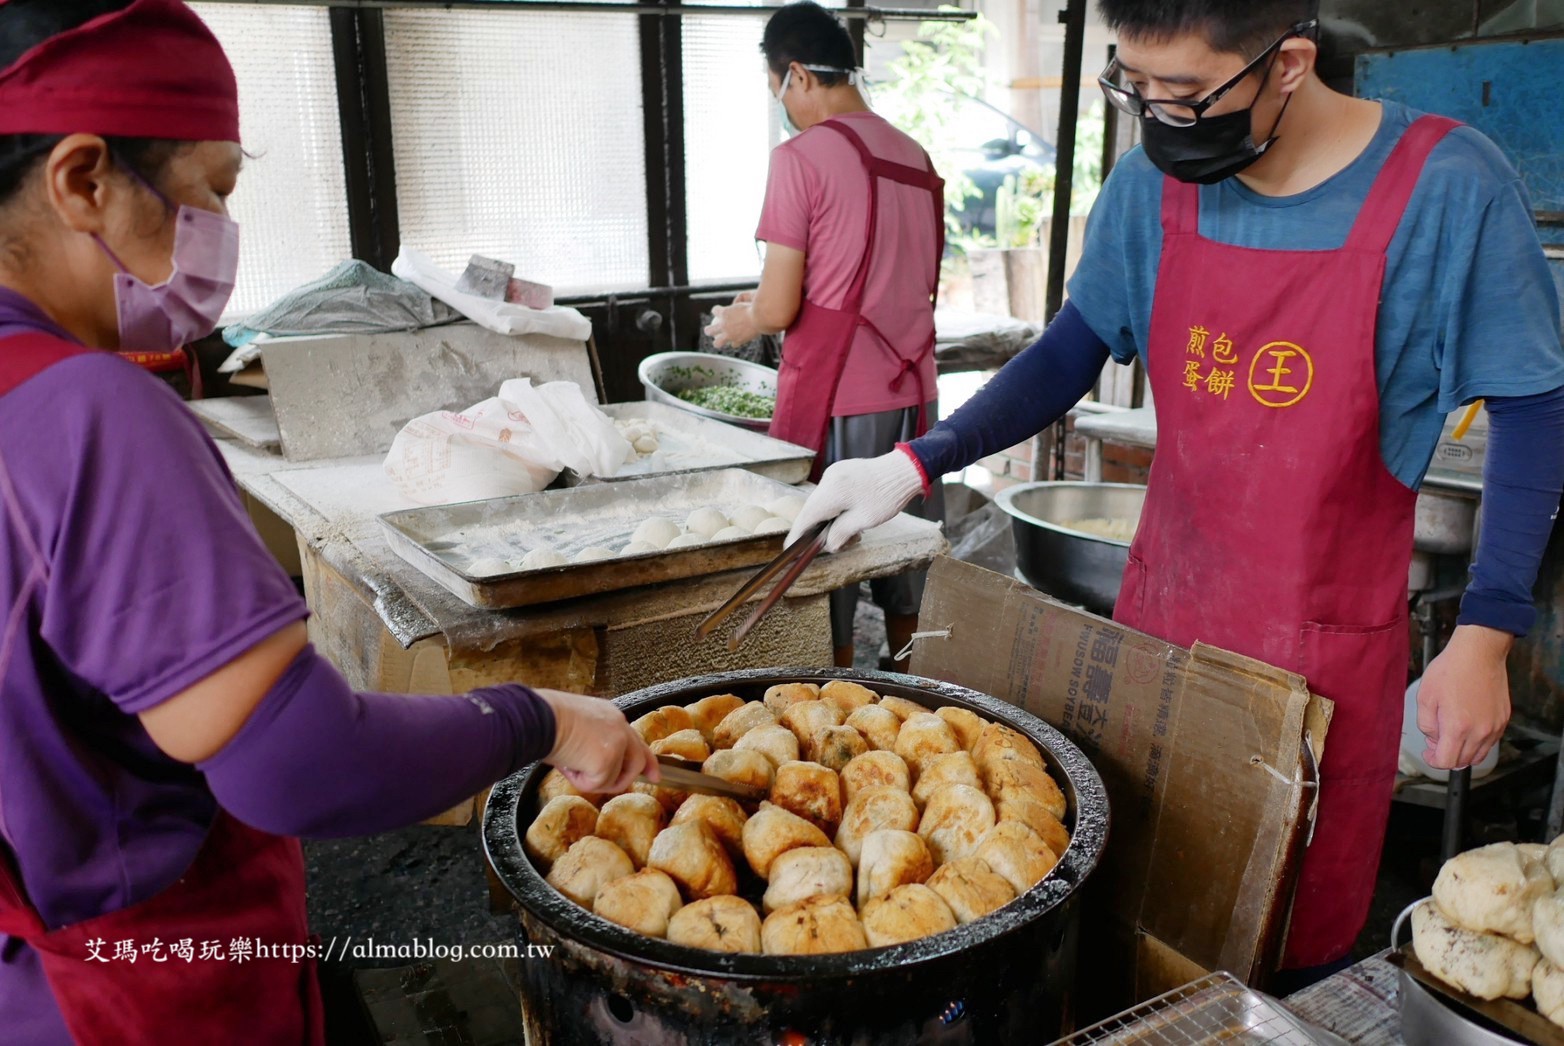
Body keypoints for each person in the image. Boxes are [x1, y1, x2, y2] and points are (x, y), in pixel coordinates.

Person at [788, 0, 1564, 981]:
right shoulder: (1147, 186)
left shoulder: (1446, 191)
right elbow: (1070, 347)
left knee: (1278, 963)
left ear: (1286, 62)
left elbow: (1537, 406)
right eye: (1134, 84)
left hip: (1314, 669)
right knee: (1133, 928)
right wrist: (914, 459)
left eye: (1186, 94)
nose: (1156, 115)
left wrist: (1486, 634)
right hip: (1160, 640)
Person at [0, 2, 654, 1041]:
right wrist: (544, 715)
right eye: (212, 189)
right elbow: (294, 757)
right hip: (153, 988)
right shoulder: (89, 415)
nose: (222, 232)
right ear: (84, 179)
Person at [706, 1, 946, 670]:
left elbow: (780, 308)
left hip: (841, 398)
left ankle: (832, 699)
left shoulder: (802, 157)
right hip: (916, 397)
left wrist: (741, 317)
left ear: (800, 76)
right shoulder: (915, 156)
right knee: (905, 564)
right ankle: (919, 693)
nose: (783, 103)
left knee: (823, 569)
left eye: (778, 88)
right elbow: (877, 280)